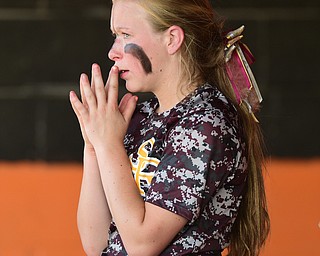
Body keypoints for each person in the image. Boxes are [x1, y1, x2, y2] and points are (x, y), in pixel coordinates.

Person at [69, 0, 270, 255]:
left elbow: (143, 245)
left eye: (125, 34)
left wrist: (108, 145)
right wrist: (94, 145)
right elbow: (96, 244)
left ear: (172, 39)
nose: (113, 52)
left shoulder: (206, 125)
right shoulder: (140, 117)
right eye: (115, 35)